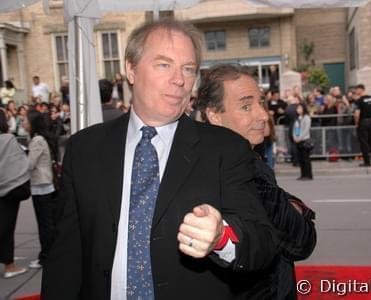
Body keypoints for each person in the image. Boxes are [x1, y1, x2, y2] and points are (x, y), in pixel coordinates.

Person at [41, 20, 277, 300]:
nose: (179, 80)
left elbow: (263, 242)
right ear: (130, 69)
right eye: (164, 65)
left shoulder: (226, 149)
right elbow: (65, 254)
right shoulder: (84, 149)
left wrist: (221, 236)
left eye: (188, 69)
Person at [197, 64, 316, 299]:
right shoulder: (243, 172)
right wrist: (292, 205)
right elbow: (302, 240)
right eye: (245, 106)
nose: (263, 114)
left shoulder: (246, 161)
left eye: (261, 103)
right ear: (214, 115)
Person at [24, 110, 57, 270]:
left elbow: (29, 165)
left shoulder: (36, 140)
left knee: (45, 224)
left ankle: (46, 257)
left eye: (25, 120)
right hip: (44, 185)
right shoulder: (40, 138)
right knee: (47, 223)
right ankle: (48, 255)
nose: (23, 123)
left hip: (41, 186)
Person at [0, 109, 31, 279]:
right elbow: (19, 163)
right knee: (7, 228)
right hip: (10, 189)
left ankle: (9, 264)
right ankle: (9, 266)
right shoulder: (8, 139)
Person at [354, 84, 371, 167]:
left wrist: (357, 124)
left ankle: (367, 162)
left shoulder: (360, 100)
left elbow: (357, 114)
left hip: (363, 122)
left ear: (361, 90)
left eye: (357, 90)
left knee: (364, 143)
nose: (356, 91)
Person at [292, 103, 314, 180]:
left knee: (306, 159)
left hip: (304, 140)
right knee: (301, 159)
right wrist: (295, 137)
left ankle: (308, 175)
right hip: (298, 140)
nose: (298, 109)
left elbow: (306, 130)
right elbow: (295, 129)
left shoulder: (306, 118)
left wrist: (300, 138)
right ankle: (303, 174)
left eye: (299, 108)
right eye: (297, 108)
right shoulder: (298, 118)